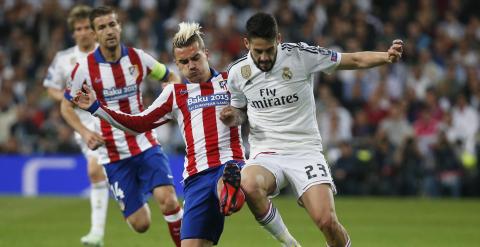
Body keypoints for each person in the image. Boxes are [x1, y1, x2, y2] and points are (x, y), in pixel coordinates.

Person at [220, 12, 404, 247]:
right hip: (266, 153)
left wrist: (386, 57)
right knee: (248, 183)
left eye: (269, 50)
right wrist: (231, 116)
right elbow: (239, 112)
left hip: (305, 150)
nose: (264, 57)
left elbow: (353, 60)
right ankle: (290, 243)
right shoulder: (237, 72)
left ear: (278, 39)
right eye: (258, 51)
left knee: (327, 221)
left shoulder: (300, 56)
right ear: (246, 44)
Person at [72, 22, 246, 247]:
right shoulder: (175, 93)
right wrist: (97, 108)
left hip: (229, 164)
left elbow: (252, 111)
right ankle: (229, 195)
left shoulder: (230, 81)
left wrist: (238, 115)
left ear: (206, 54)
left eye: (196, 58)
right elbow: (138, 123)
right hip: (196, 177)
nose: (191, 65)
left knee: (239, 185)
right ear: (177, 64)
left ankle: (235, 194)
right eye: (184, 62)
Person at [63, 6, 183, 247]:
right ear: (95, 35)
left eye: (112, 25)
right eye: (102, 27)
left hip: (145, 142)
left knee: (169, 201)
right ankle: (136, 192)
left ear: (120, 27)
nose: (109, 31)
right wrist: (85, 132)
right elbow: (66, 107)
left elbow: (170, 76)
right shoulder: (84, 69)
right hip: (113, 154)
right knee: (141, 224)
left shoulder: (138, 58)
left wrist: (170, 89)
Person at [42, 5, 108, 246]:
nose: (82, 32)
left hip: (110, 118)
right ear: (73, 33)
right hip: (83, 124)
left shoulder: (106, 54)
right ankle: (97, 233)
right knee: (96, 170)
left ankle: (97, 233)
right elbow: (50, 88)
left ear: (93, 30)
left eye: (86, 28)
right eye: (78, 29)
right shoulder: (63, 59)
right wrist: (69, 98)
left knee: (96, 170)